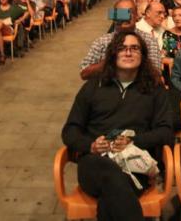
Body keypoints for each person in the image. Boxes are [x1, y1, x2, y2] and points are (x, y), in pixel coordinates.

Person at [62, 31, 173, 221]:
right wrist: (92, 146)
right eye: (122, 48)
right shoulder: (93, 86)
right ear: (113, 54)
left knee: (112, 195)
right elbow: (70, 131)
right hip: (95, 163)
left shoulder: (154, 89)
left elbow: (165, 132)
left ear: (143, 55)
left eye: (134, 48)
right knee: (110, 175)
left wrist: (134, 140)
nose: (128, 53)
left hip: (134, 165)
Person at [79, 0, 161, 79]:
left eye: (130, 12)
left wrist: (135, 60)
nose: (126, 17)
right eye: (121, 13)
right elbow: (84, 74)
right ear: (114, 16)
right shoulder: (102, 42)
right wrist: (108, 61)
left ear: (136, 15)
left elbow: (156, 74)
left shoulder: (149, 41)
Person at [0, 0, 28, 64]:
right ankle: (2, 55)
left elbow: (26, 12)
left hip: (9, 29)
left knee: (0, 24)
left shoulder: (13, 8)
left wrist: (21, 19)